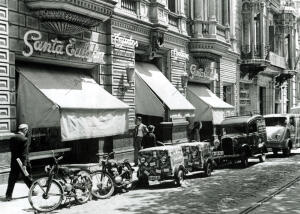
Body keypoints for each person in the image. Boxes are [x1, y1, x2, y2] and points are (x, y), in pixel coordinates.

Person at [5, 124, 33, 201]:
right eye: (27, 130)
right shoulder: (24, 139)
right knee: (27, 177)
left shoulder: (12, 138)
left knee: (12, 179)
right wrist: (24, 164)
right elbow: (24, 153)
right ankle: (32, 190)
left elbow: (12, 150)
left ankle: (8, 195)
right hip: (22, 162)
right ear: (25, 130)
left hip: (14, 161)